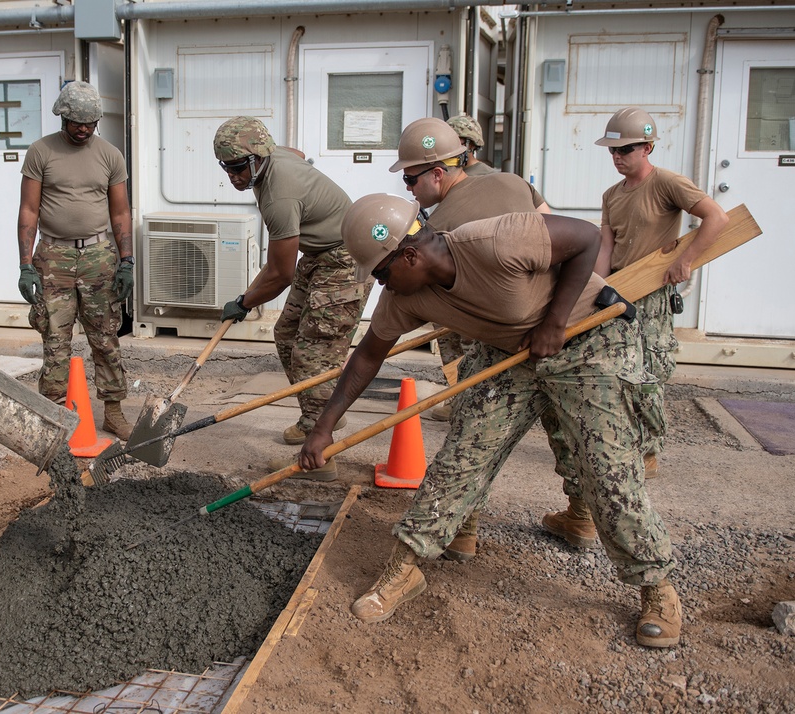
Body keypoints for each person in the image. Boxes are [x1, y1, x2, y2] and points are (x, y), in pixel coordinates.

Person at [299, 194, 682, 649]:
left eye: (381, 273)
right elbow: (366, 358)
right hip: (510, 355)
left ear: (410, 254)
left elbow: (584, 239)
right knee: (459, 461)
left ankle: (656, 588)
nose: (381, 285)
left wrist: (555, 321)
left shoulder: (495, 241)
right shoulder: (405, 297)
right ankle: (405, 568)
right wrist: (323, 428)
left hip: (587, 342)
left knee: (607, 472)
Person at [541, 107, 729, 547]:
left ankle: (647, 452)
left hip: (654, 290)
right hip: (622, 292)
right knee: (618, 369)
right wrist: (594, 289)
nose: (618, 157)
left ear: (647, 146)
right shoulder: (612, 194)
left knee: (651, 370)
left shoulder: (667, 183)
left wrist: (687, 260)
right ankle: (628, 448)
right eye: (613, 150)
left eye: (625, 150)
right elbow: (606, 244)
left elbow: (715, 218)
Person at [390, 117, 550, 560]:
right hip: (545, 323)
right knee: (565, 441)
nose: (409, 189)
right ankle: (578, 518)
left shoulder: (443, 221)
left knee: (473, 437)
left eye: (410, 178)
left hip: (524, 333)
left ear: (437, 172)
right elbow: (555, 228)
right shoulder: (513, 183)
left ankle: (464, 529)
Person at [213, 116, 369, 480]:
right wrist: (246, 298)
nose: (233, 176)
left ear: (258, 158)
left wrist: (244, 302)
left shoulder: (279, 197)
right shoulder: (274, 156)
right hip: (319, 256)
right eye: (227, 167)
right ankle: (320, 412)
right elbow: (295, 152)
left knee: (312, 354)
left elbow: (280, 274)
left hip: (345, 260)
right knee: (286, 333)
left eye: (238, 168)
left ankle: (320, 457)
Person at [17, 81, 136, 440]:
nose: (83, 129)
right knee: (55, 337)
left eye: (90, 123)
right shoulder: (40, 152)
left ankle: (113, 411)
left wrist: (126, 260)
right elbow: (29, 209)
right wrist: (25, 264)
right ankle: (53, 416)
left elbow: (120, 212)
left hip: (99, 256)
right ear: (62, 117)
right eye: (76, 122)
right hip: (53, 255)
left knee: (105, 335)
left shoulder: (110, 155)